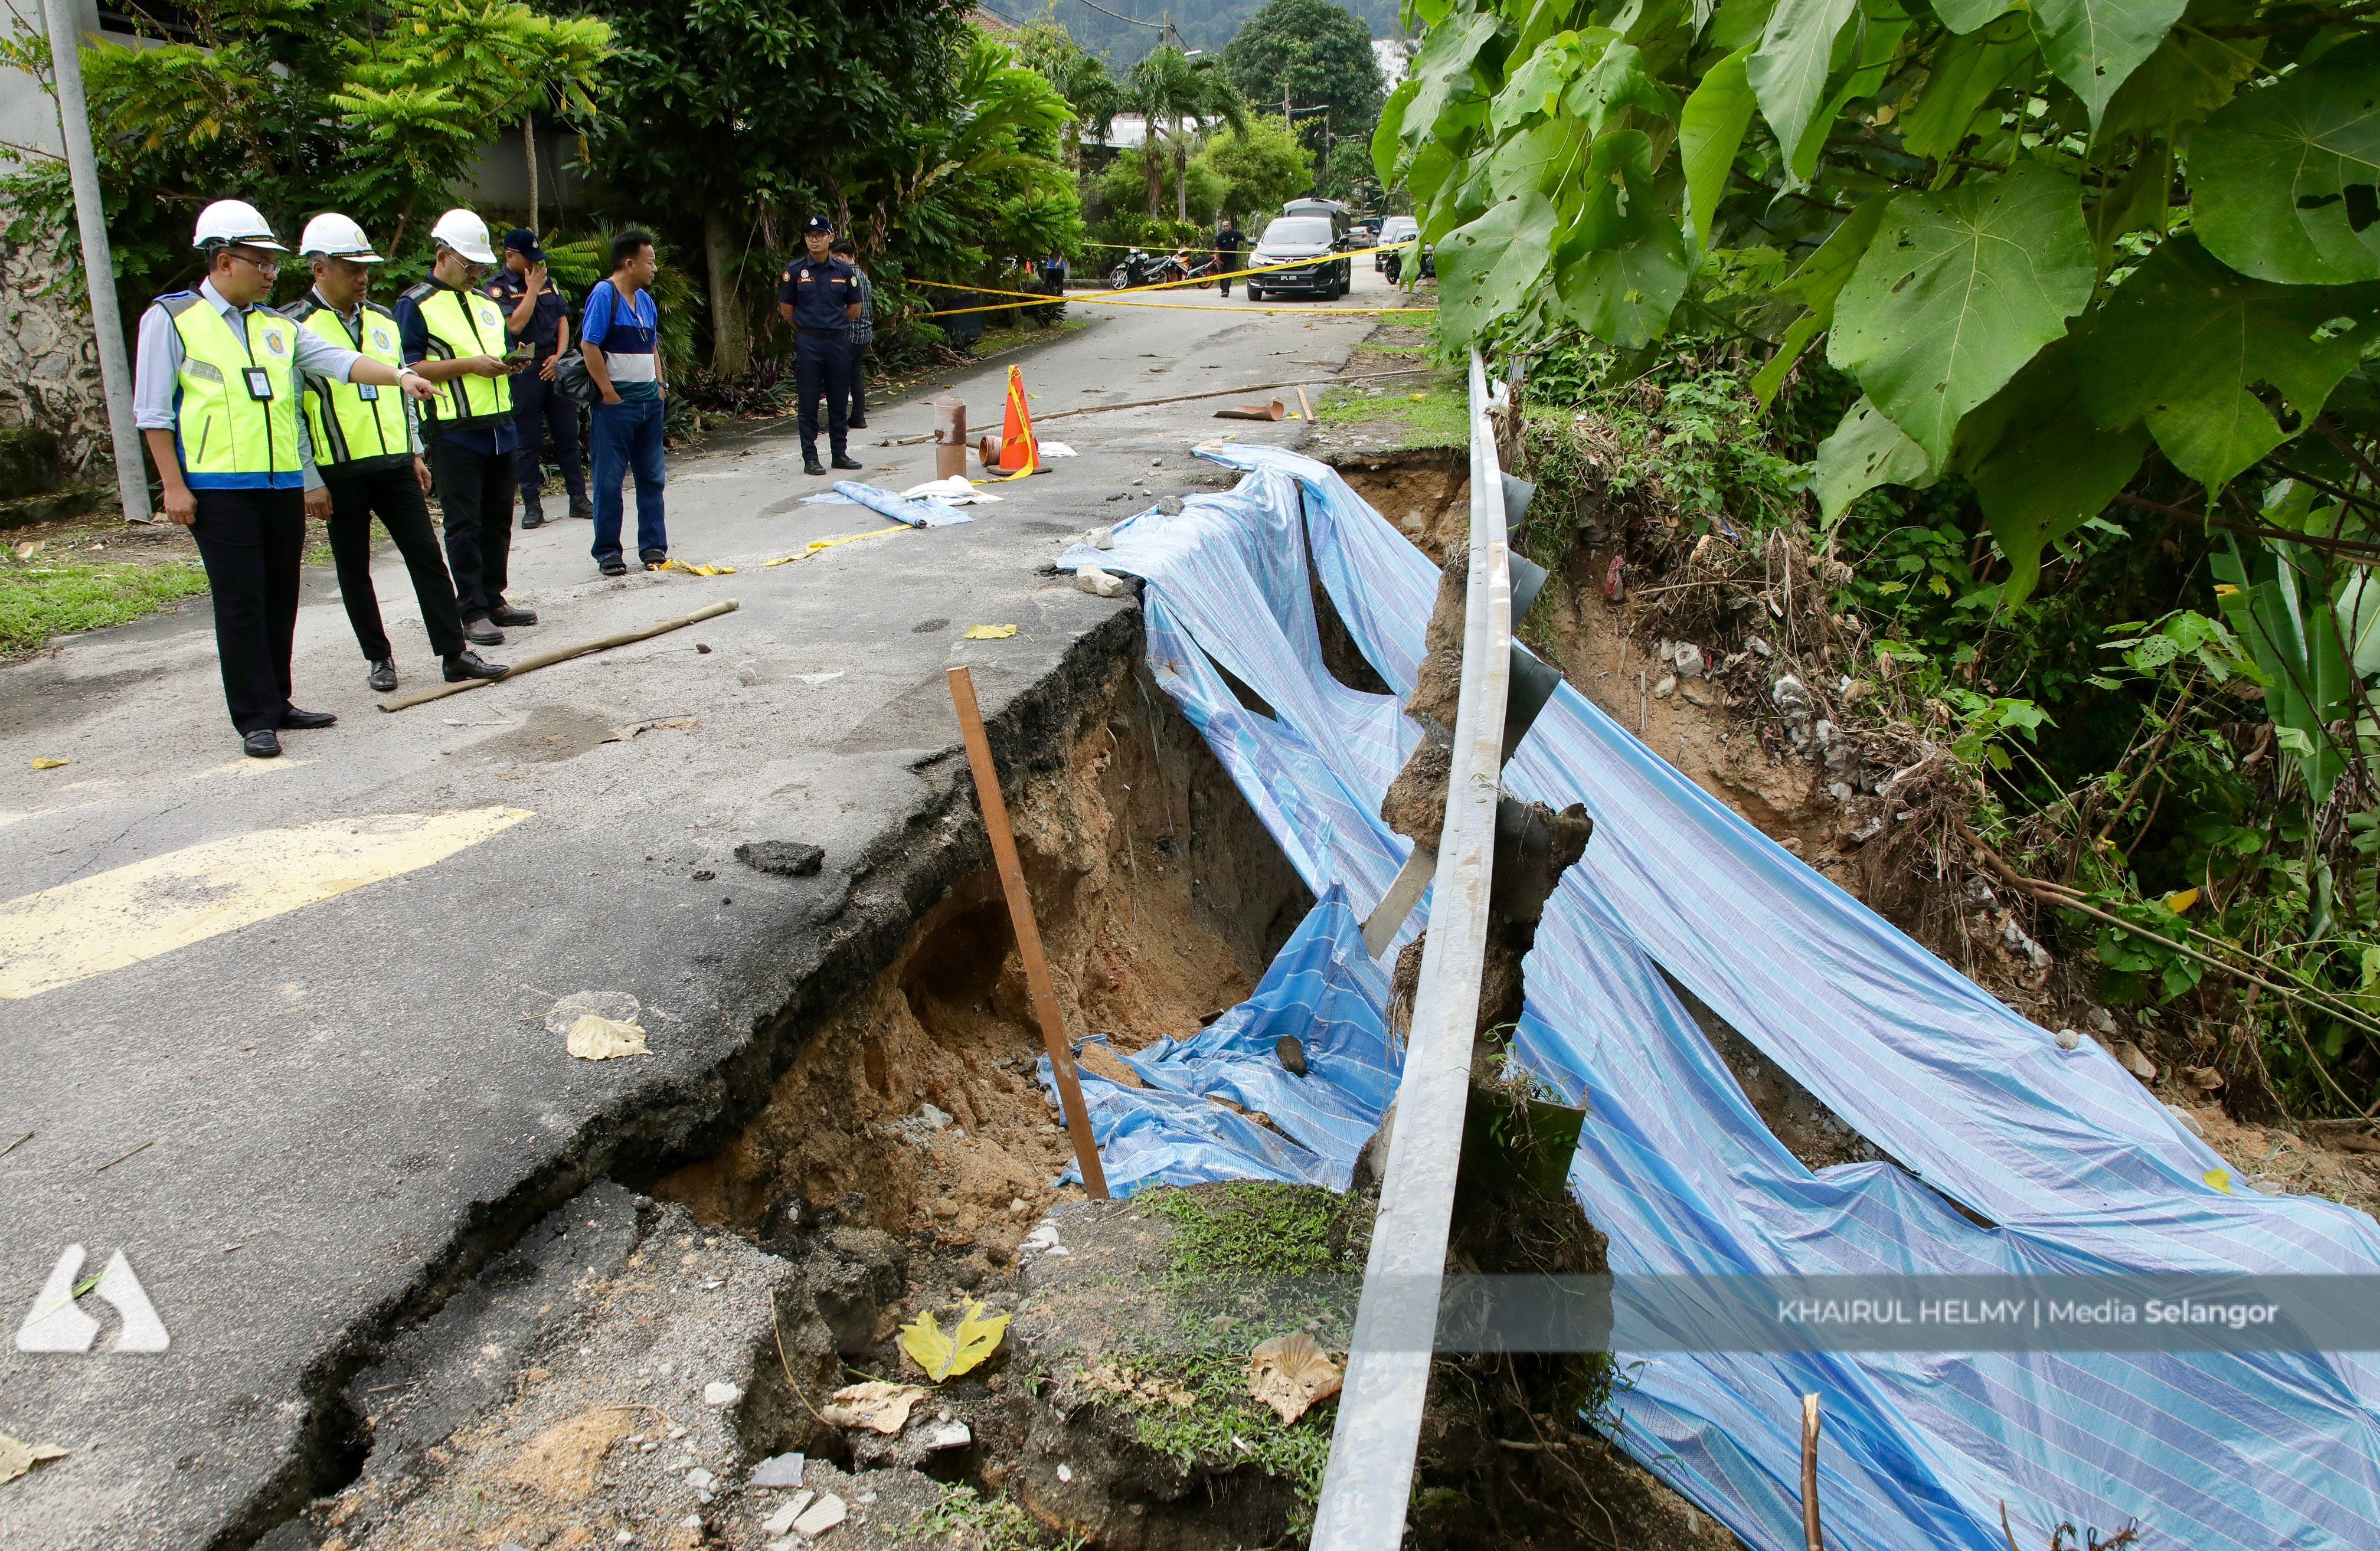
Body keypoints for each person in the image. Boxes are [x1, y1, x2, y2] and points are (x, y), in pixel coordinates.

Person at [133, 199, 440, 757]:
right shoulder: (173, 319)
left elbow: (339, 361)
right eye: (263, 263)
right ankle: (253, 716)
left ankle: (279, 701)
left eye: (274, 264)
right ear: (225, 261)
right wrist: (173, 486)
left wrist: (400, 376)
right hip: (219, 487)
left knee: (280, 596)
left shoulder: (277, 327)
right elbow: (152, 413)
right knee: (242, 600)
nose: (273, 273)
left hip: (277, 486)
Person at [283, 214, 508, 695]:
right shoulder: (294, 326)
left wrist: (414, 451)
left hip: (394, 463)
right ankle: (379, 656)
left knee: (427, 557)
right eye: (350, 268)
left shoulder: (383, 319)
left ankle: (453, 653)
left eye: (366, 268)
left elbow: (403, 387)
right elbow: (291, 411)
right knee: (354, 567)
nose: (363, 277)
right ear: (319, 269)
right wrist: (309, 477)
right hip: (338, 468)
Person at [394, 209, 534, 648]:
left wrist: (512, 364)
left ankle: (493, 598)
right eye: (468, 265)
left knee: (498, 519)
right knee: (464, 523)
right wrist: (470, 367)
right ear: (442, 256)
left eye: (479, 266)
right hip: (455, 428)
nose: (476, 273)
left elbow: (500, 349)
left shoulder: (489, 303)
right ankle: (470, 609)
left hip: (500, 423)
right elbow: (408, 367)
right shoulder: (415, 304)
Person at [579, 228, 669, 577]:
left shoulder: (646, 301)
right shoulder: (605, 295)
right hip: (617, 406)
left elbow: (653, 347)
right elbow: (590, 345)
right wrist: (608, 393)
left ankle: (653, 546)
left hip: (650, 403)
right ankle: (608, 551)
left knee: (651, 478)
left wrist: (660, 385)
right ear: (629, 264)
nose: (654, 269)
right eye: (650, 262)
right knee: (609, 479)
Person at [485, 227, 589, 528]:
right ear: (510, 256)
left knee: (568, 436)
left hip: (554, 364)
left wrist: (560, 356)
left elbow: (562, 319)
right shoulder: (497, 288)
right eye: (528, 258)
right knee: (527, 442)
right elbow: (514, 326)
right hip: (524, 370)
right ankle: (532, 505)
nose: (534, 264)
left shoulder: (547, 281)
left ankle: (578, 498)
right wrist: (531, 289)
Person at [775, 215, 862, 477]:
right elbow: (786, 309)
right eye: (810, 235)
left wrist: (833, 327)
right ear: (805, 239)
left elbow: (854, 309)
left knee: (838, 398)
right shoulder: (795, 272)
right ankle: (810, 458)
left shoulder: (845, 272)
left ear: (830, 237)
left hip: (837, 340)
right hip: (809, 342)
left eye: (820, 234)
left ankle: (839, 453)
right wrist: (806, 330)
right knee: (809, 399)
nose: (815, 239)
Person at [828, 237, 872, 430]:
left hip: (850, 333)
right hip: (865, 333)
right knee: (855, 376)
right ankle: (858, 417)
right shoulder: (864, 276)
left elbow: (846, 307)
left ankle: (838, 421)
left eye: (833, 259)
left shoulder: (847, 276)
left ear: (842, 256)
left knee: (838, 377)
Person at [1213, 215, 1247, 299]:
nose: (1225, 228)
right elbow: (1217, 249)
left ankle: (1225, 291)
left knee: (1229, 275)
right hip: (1222, 260)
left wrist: (1252, 242)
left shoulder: (1235, 234)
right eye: (1224, 226)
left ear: (1230, 226)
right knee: (1222, 276)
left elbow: (1245, 239)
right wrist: (1218, 260)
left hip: (1231, 260)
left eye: (1227, 226)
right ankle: (1223, 289)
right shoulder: (1220, 237)